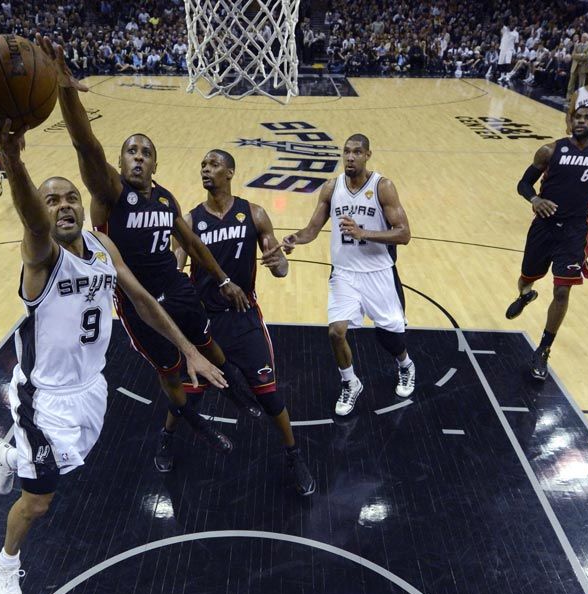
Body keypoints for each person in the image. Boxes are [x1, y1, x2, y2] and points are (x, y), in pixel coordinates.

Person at [0, 108, 227, 594]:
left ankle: (11, 455)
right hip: (43, 397)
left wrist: (190, 349)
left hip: (91, 388)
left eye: (71, 197)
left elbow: (144, 302)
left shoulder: (102, 245)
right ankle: (5, 562)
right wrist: (13, 163)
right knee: (39, 501)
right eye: (52, 200)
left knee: (64, 465)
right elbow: (31, 219)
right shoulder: (41, 255)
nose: (64, 205)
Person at [40, 35, 263, 468]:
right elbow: (86, 145)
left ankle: (236, 389)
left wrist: (222, 279)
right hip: (136, 299)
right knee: (170, 371)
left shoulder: (165, 198)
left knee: (210, 346)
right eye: (131, 151)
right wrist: (67, 91)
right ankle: (190, 424)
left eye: (146, 153)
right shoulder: (110, 192)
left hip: (176, 287)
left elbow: (193, 243)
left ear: (155, 165)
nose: (138, 157)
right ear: (121, 161)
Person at [174, 149, 315, 495]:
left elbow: (280, 268)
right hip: (204, 323)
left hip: (244, 320)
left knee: (269, 396)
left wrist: (279, 262)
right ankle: (166, 437)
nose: (206, 169)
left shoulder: (254, 214)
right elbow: (175, 271)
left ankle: (294, 455)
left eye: (214, 165)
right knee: (187, 396)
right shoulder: (190, 221)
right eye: (203, 165)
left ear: (230, 172)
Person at [280, 134, 414, 415]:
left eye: (357, 152)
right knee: (336, 332)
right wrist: (294, 239)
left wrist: (363, 232)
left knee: (389, 337)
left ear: (367, 155)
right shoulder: (331, 188)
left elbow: (404, 234)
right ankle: (350, 382)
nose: (350, 157)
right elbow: (312, 229)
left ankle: (405, 365)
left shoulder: (383, 187)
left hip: (378, 273)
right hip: (344, 274)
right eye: (346, 152)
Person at [505, 105, 588, 380]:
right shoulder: (550, 150)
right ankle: (526, 294)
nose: (580, 121)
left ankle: (543, 348)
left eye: (587, 117)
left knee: (563, 291)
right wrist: (535, 199)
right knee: (526, 277)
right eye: (577, 117)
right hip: (544, 227)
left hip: (575, 231)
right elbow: (523, 184)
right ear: (570, 121)